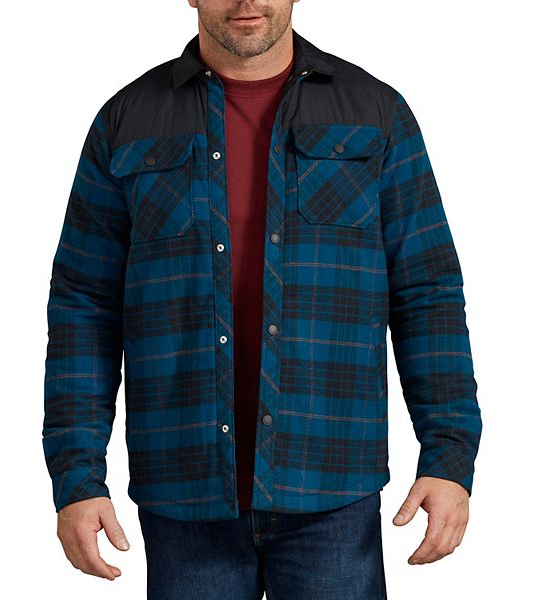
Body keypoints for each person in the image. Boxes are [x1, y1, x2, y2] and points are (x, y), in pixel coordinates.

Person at [42, 1, 483, 598]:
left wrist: (448, 456)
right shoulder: (128, 120)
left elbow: (426, 293)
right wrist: (76, 476)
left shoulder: (377, 114)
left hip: (332, 483)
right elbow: (84, 307)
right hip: (185, 488)